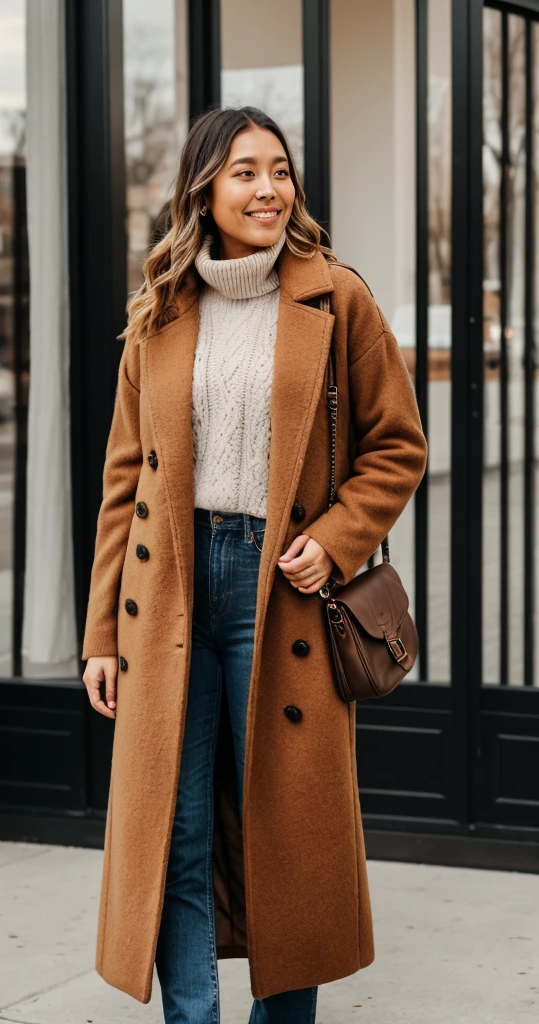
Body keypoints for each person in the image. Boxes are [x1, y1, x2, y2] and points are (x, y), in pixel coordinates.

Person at [81, 106, 427, 1024]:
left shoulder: (335, 297)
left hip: (284, 591)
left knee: (287, 829)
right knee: (177, 828)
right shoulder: (159, 308)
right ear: (204, 188)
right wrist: (101, 635)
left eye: (279, 170)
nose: (268, 188)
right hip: (170, 590)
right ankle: (191, 1016)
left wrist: (340, 538)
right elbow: (125, 483)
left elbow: (398, 445)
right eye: (244, 172)